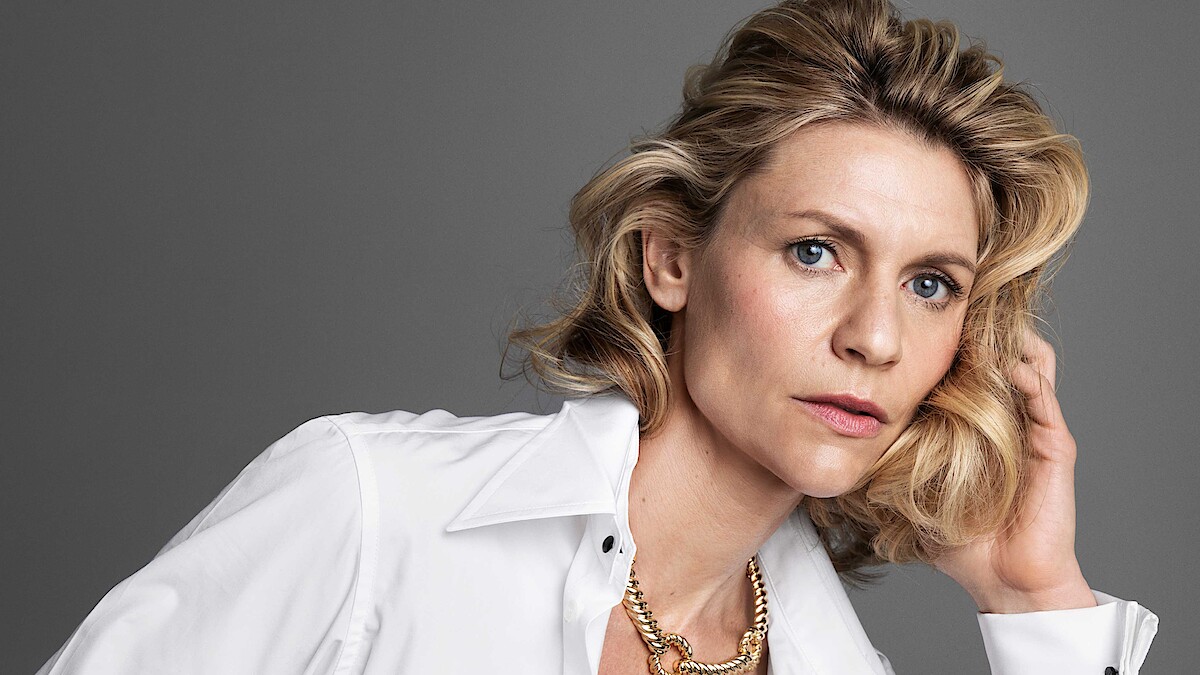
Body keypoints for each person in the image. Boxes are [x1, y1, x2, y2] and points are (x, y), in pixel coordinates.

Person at [36, 0, 1159, 673]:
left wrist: (1032, 605)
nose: (874, 336)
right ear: (671, 258)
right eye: (815, 251)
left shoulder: (832, 662)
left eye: (930, 284)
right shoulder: (374, 513)